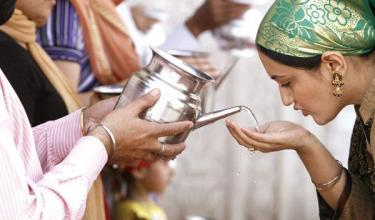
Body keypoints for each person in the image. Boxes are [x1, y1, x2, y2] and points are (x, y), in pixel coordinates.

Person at [226, 0, 375, 219]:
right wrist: (306, 144)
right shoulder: (366, 109)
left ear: (334, 65)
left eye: (286, 83)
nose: (285, 100)